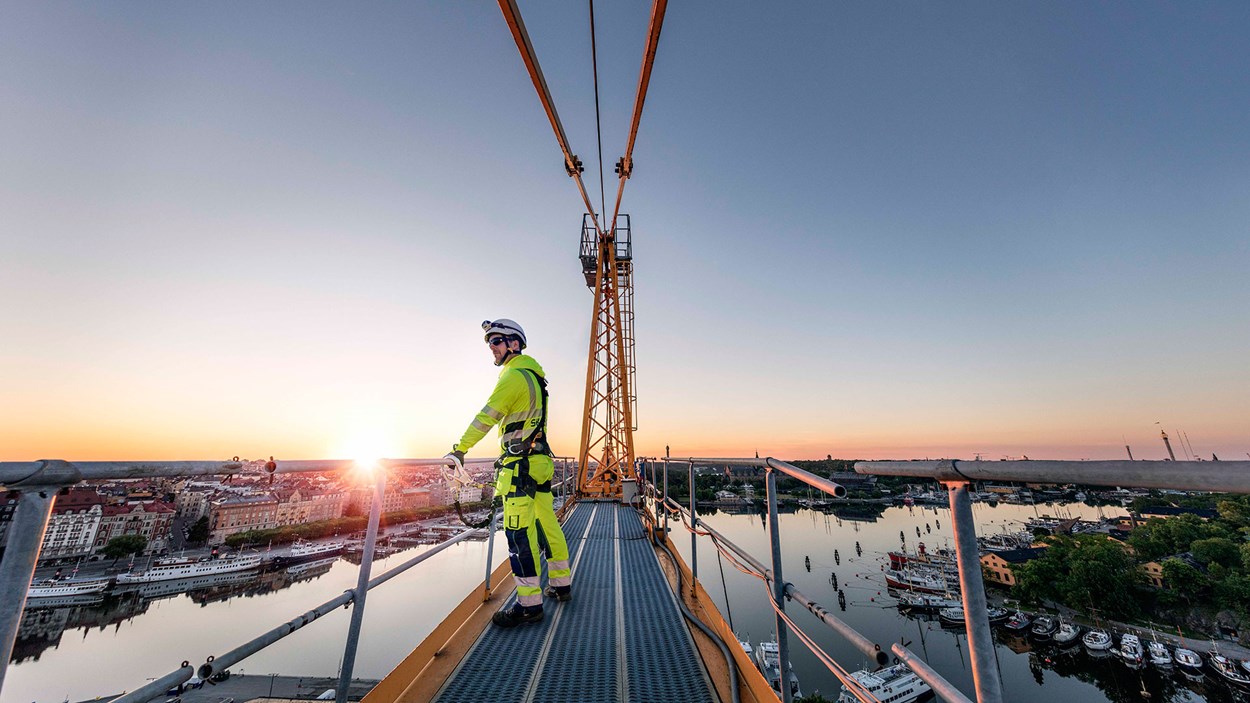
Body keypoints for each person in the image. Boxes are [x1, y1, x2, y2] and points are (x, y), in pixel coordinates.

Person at [446, 318, 572, 627]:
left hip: (519, 467)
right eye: (489, 341)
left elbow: (486, 417)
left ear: (514, 344)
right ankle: (561, 583)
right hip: (539, 463)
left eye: (497, 341)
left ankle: (529, 606)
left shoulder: (513, 376)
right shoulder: (535, 377)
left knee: (519, 536)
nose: (491, 346)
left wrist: (459, 449)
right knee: (547, 525)